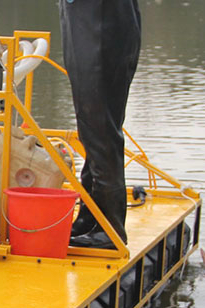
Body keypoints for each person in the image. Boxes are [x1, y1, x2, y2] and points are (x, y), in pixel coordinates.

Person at [60, 0, 142, 248]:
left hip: (101, 35)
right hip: (96, 30)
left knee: (101, 131)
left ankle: (111, 228)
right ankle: (91, 216)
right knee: (92, 131)